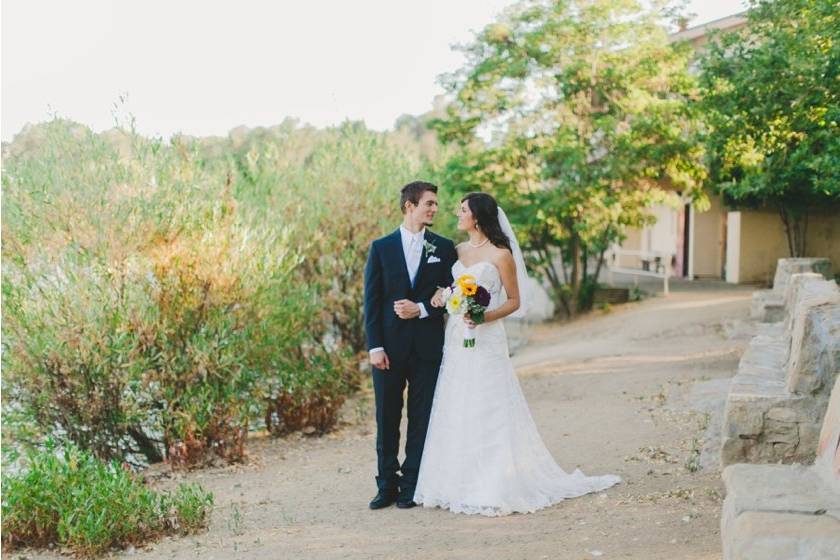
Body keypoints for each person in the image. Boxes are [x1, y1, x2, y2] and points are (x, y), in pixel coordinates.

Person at [412, 192, 621, 516]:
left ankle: (493, 483)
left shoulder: (501, 255)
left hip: (487, 337)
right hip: (457, 338)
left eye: (463, 210)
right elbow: (447, 289)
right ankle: (454, 482)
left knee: (488, 403)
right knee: (457, 402)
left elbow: (513, 301)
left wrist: (484, 316)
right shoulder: (457, 250)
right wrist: (444, 297)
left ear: (477, 217)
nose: (457, 213)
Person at [363, 181, 458, 509]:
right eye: (429, 203)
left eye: (435, 204)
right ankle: (386, 484)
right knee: (386, 418)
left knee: (422, 418)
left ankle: (413, 484)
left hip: (428, 347)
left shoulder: (444, 248)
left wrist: (422, 309)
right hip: (388, 350)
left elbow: (454, 295)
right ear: (409, 206)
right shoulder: (381, 247)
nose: (434, 209)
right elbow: (371, 302)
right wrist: (375, 347)